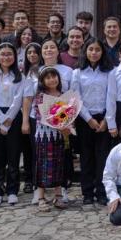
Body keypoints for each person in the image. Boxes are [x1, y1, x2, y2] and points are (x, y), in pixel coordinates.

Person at [72, 38, 114, 205]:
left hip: (104, 118)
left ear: (102, 52)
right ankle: (87, 192)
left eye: (97, 49)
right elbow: (76, 97)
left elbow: (112, 97)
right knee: (86, 157)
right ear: (85, 52)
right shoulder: (78, 73)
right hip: (85, 119)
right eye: (91, 49)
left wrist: (106, 119)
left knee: (102, 157)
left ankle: (102, 191)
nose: (94, 53)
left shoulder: (109, 72)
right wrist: (88, 119)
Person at [0, 43, 24, 206]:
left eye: (9, 54)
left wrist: (8, 119)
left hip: (14, 117)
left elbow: (18, 99)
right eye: (3, 54)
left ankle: (13, 190)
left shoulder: (20, 76)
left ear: (14, 57)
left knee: (13, 155)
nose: (6, 57)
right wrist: (1, 119)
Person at [31, 67, 70, 212]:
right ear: (42, 81)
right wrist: (59, 126)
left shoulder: (63, 95)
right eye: (48, 78)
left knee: (59, 164)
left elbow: (67, 114)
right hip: (44, 136)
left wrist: (67, 125)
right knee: (43, 165)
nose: (52, 80)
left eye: (54, 76)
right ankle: (41, 197)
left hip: (59, 136)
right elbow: (40, 116)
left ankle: (58, 195)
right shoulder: (40, 96)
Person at [19, 42, 42, 195]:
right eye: (29, 52)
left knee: (39, 151)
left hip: (43, 115)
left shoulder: (43, 71)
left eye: (35, 52)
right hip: (24, 114)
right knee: (28, 150)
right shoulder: (21, 71)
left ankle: (40, 181)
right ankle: (29, 180)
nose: (32, 55)